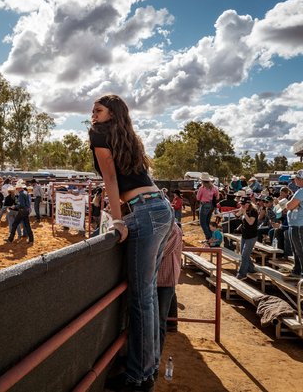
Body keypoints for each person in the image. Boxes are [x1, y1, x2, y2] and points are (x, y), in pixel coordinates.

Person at [89, 94, 172, 392]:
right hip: (161, 209)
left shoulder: (98, 133)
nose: (93, 114)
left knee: (141, 300)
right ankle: (147, 370)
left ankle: (138, 377)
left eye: (98, 110)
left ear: (112, 114)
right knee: (147, 297)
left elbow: (110, 180)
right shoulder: (127, 136)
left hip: (144, 212)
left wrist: (117, 220)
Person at [157, 221, 183, 354]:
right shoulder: (166, 227)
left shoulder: (173, 229)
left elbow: (158, 253)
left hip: (164, 280)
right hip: (158, 280)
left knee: (159, 320)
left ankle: (155, 359)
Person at [236, 196, 259, 280]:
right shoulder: (243, 209)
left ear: (248, 204)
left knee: (245, 255)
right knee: (243, 253)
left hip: (251, 236)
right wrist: (240, 212)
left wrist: (244, 213)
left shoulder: (254, 211)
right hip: (244, 235)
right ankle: (251, 268)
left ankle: (242, 274)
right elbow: (237, 216)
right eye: (241, 204)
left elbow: (250, 222)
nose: (241, 205)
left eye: (243, 204)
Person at [196, 173, 219, 241]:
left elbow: (198, 198)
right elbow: (217, 197)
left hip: (204, 205)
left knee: (203, 223)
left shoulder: (201, 188)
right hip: (211, 205)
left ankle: (209, 237)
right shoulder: (214, 188)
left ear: (202, 181)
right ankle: (210, 236)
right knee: (207, 222)